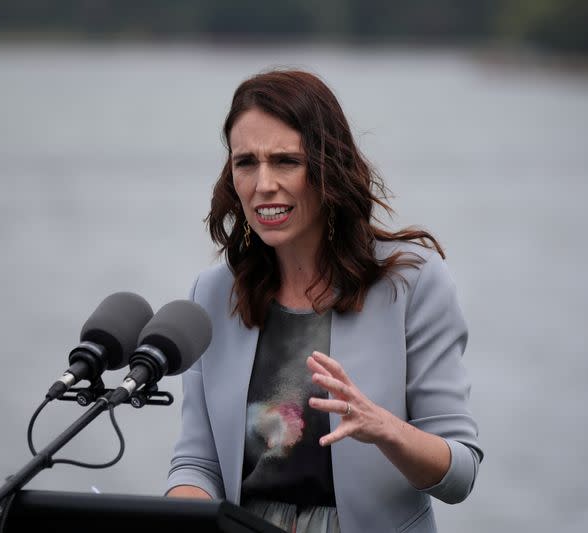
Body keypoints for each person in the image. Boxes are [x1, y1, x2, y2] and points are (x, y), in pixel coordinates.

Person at [166, 70, 482, 533]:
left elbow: (459, 475)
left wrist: (384, 427)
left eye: (286, 161)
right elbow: (196, 463)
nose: (263, 184)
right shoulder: (213, 294)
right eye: (246, 162)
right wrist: (180, 518)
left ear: (328, 167)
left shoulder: (413, 283)